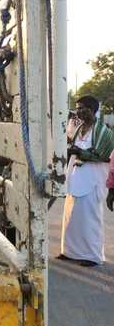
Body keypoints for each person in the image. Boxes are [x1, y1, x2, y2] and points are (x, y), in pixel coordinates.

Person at [59, 96, 114, 266]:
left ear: (92, 110)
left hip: (92, 179)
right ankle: (70, 251)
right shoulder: (80, 128)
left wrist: (79, 152)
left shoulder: (104, 132)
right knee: (71, 215)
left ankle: (92, 255)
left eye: (81, 108)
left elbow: (102, 155)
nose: (78, 112)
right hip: (77, 177)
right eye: (77, 108)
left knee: (90, 217)